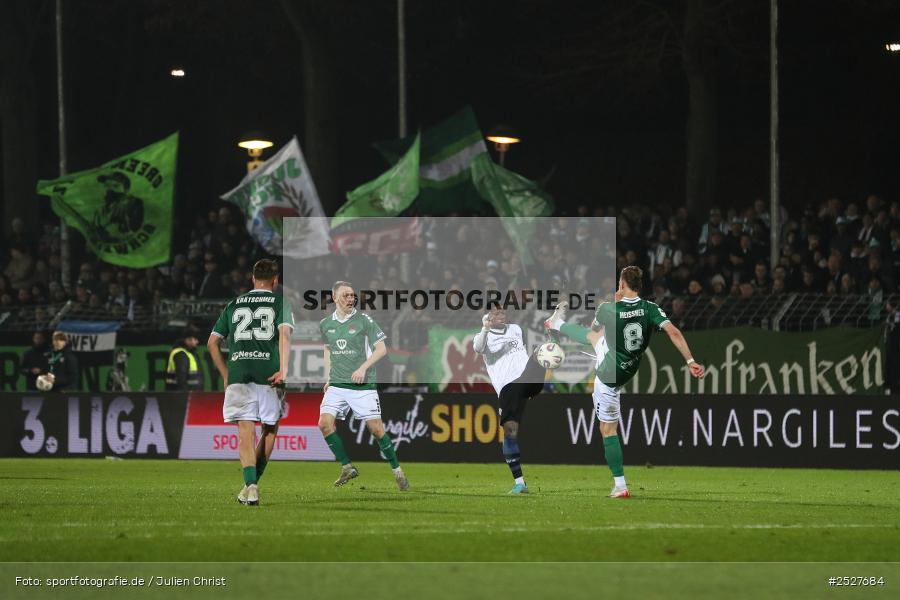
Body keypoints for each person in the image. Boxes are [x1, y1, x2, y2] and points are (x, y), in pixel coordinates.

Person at [545, 266, 705, 498]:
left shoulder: (607, 309)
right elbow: (674, 333)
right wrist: (690, 360)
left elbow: (594, 329)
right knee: (596, 341)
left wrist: (612, 304)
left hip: (609, 375)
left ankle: (620, 486)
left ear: (621, 284)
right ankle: (555, 324)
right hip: (627, 367)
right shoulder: (650, 308)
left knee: (607, 429)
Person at [207, 259, 293, 506]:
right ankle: (252, 484)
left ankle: (250, 485)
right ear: (275, 281)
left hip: (239, 372)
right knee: (269, 429)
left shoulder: (234, 304)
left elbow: (212, 343)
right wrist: (284, 370)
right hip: (269, 374)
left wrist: (225, 373)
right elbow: (284, 335)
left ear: (253, 279)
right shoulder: (280, 302)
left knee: (246, 430)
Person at [317, 281, 409, 491]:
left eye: (352, 295)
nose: (350, 299)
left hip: (362, 385)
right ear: (335, 297)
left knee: (376, 429)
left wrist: (363, 368)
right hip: (338, 384)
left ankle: (397, 471)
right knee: (324, 424)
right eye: (346, 295)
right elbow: (328, 350)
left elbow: (381, 349)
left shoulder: (364, 320)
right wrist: (328, 377)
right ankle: (347, 466)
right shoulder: (325, 324)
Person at [472, 307, 547, 495]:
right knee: (510, 432)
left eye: (502, 311)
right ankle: (520, 483)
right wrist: (485, 328)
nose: (501, 314)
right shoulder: (483, 337)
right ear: (488, 317)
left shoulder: (515, 329)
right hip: (508, 388)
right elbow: (478, 348)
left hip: (525, 379)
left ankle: (552, 342)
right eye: (496, 313)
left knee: (541, 352)